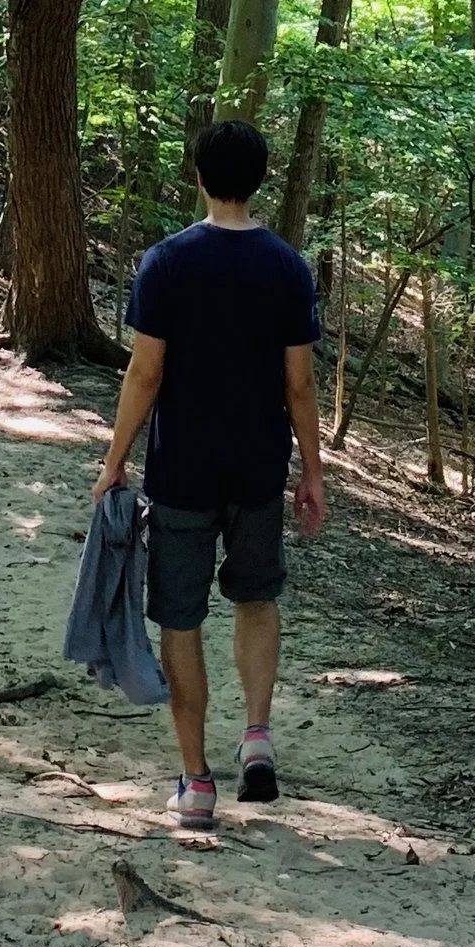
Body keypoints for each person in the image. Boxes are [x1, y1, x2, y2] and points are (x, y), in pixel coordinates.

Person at [90, 116, 326, 831]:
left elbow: (146, 370)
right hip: (257, 467)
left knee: (180, 617)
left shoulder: (166, 262)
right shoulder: (288, 267)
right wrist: (311, 470)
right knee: (257, 599)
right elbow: (301, 384)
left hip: (182, 471)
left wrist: (114, 459)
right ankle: (257, 734)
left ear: (197, 173)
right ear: (261, 179)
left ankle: (195, 783)